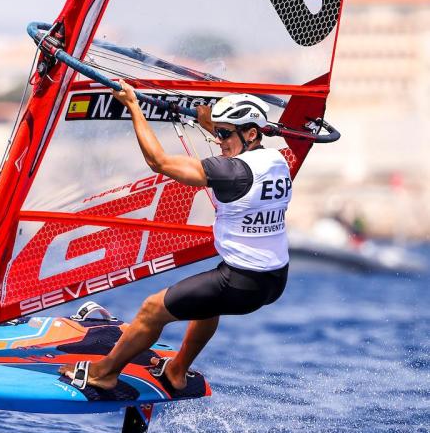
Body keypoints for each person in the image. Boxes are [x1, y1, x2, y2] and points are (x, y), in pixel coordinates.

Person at [59, 81, 291, 391]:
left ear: (251, 134)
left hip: (241, 283)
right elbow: (237, 156)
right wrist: (212, 125)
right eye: (218, 132)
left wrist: (133, 106)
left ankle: (104, 373)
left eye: (224, 134)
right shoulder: (277, 161)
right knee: (207, 303)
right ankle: (177, 370)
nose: (219, 140)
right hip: (274, 279)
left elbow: (159, 162)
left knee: (152, 309)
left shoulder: (232, 172)